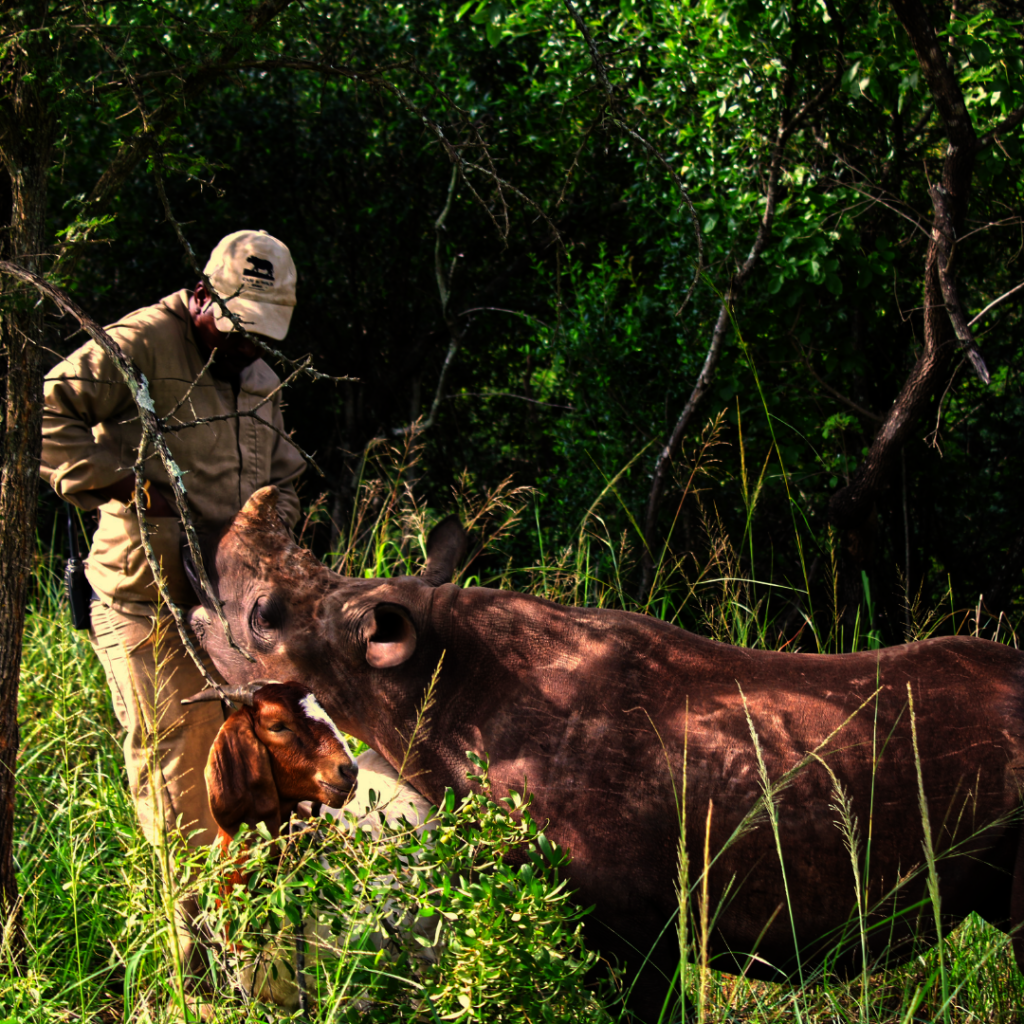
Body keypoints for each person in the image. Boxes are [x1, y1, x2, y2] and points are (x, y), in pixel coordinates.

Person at [40, 229, 307, 984]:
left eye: (263, 328)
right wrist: (121, 482)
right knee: (180, 780)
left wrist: (267, 525)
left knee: (257, 774)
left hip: (234, 614)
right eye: (237, 321)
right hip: (146, 598)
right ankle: (191, 967)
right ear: (202, 295)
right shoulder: (142, 343)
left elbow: (284, 472)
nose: (248, 341)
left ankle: (262, 956)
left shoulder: (259, 375)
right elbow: (41, 412)